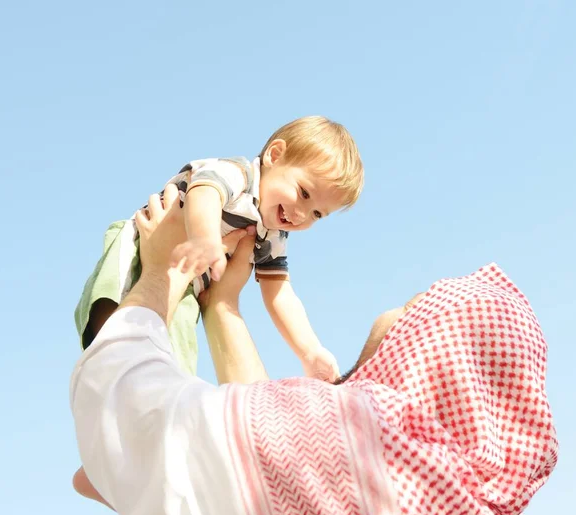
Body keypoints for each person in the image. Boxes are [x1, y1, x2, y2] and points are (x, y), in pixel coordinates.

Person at [70, 186, 576, 515]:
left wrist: (162, 269)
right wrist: (223, 305)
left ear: (432, 349)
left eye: (416, 305)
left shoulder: (367, 444)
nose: (400, 308)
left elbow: (124, 409)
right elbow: (274, 445)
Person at [74, 115, 363, 380]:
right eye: (303, 193)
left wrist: (309, 350)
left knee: (174, 358)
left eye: (316, 214)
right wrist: (205, 237)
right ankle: (107, 349)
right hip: (143, 245)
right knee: (117, 326)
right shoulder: (240, 175)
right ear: (274, 156)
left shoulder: (272, 234)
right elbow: (205, 191)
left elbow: (280, 292)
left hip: (187, 284)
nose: (301, 213)